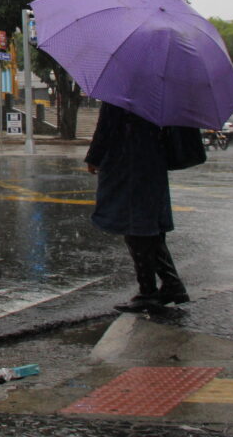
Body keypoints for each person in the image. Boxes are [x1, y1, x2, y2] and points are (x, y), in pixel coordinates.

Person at [85, 101, 189, 314]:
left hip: (128, 162)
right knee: (150, 228)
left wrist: (94, 157)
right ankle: (171, 285)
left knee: (136, 228)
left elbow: (107, 125)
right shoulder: (160, 90)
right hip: (153, 160)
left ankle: (149, 292)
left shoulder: (123, 88)